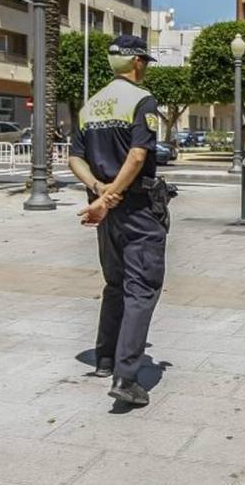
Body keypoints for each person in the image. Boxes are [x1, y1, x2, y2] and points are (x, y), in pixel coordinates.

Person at [69, 35, 173, 407]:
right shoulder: (141, 101)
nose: (144, 66)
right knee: (141, 288)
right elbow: (137, 156)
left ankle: (105, 357)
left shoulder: (91, 106)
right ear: (137, 63)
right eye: (144, 60)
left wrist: (99, 192)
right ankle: (126, 378)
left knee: (114, 283)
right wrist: (113, 194)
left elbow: (74, 159)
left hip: (104, 211)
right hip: (137, 210)